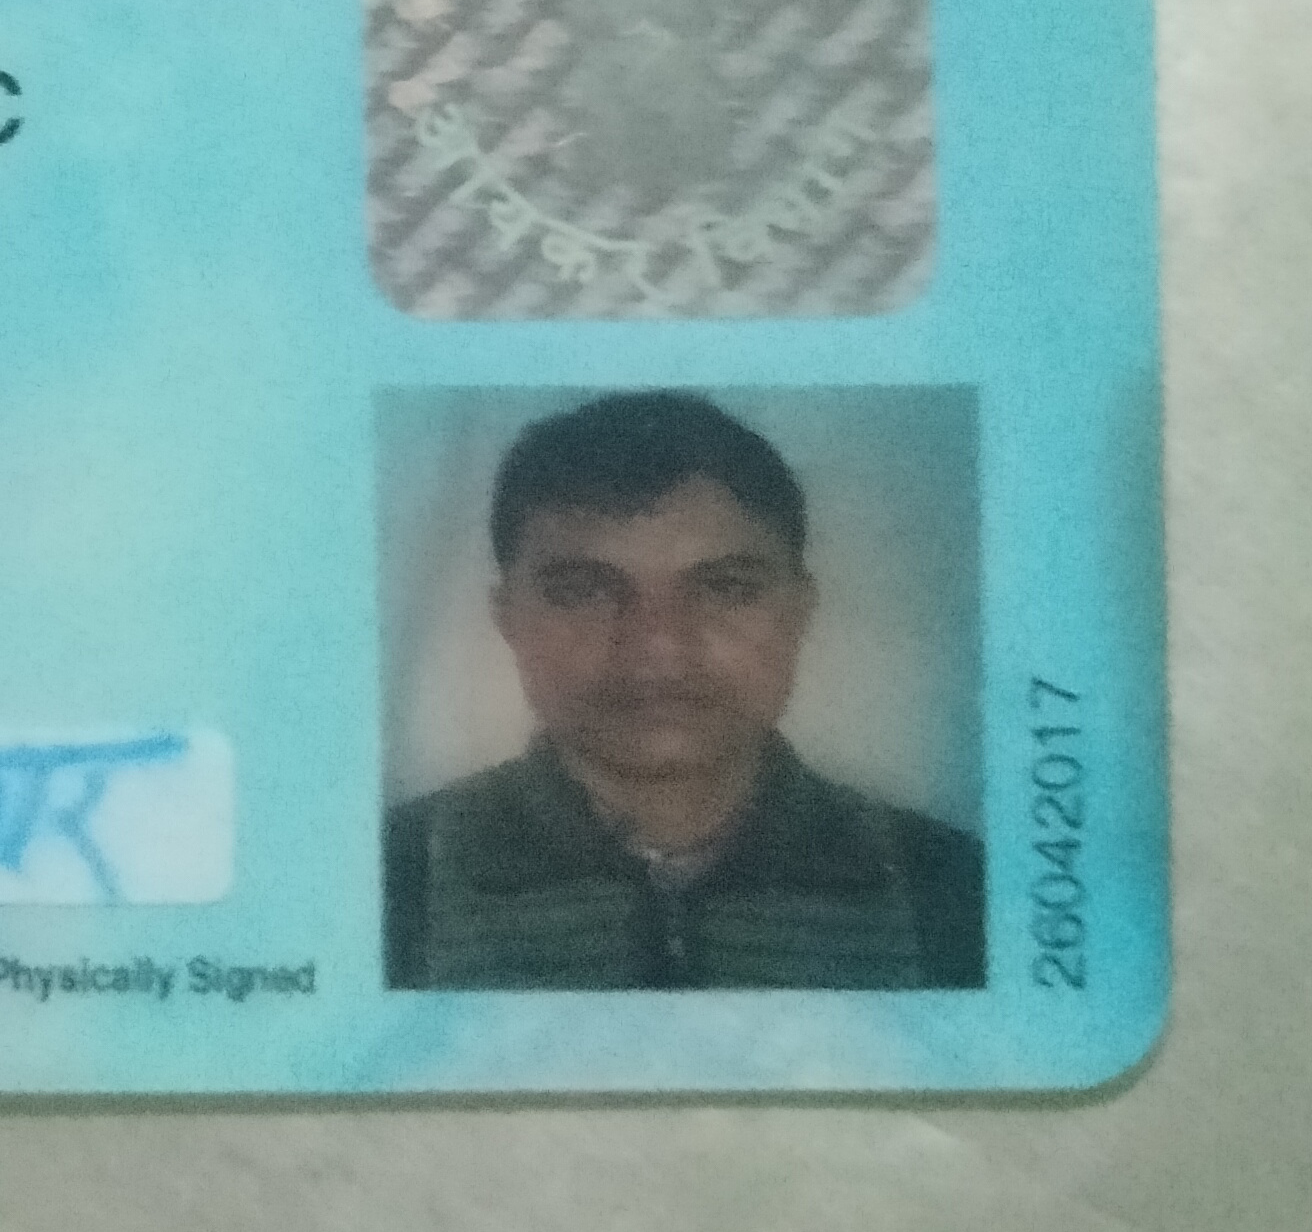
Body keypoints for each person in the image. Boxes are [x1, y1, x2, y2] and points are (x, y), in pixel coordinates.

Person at [383, 390, 985, 991]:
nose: (658, 648)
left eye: (726, 588)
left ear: (798, 612)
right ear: (509, 618)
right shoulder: (380, 882)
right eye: (585, 590)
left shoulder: (959, 891)